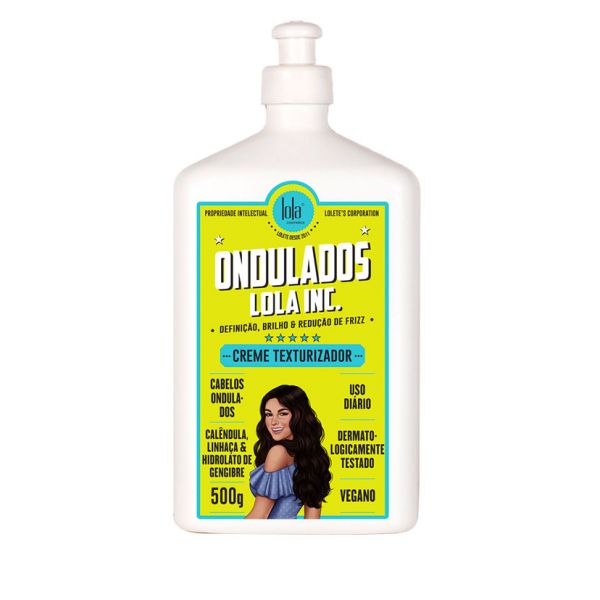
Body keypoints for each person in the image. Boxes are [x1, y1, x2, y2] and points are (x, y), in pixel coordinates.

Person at [245, 384, 331, 519]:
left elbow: (259, 516)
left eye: (283, 413)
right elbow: (312, 522)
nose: (273, 422)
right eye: (268, 414)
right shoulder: (313, 458)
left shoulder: (277, 452)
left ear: (299, 415)